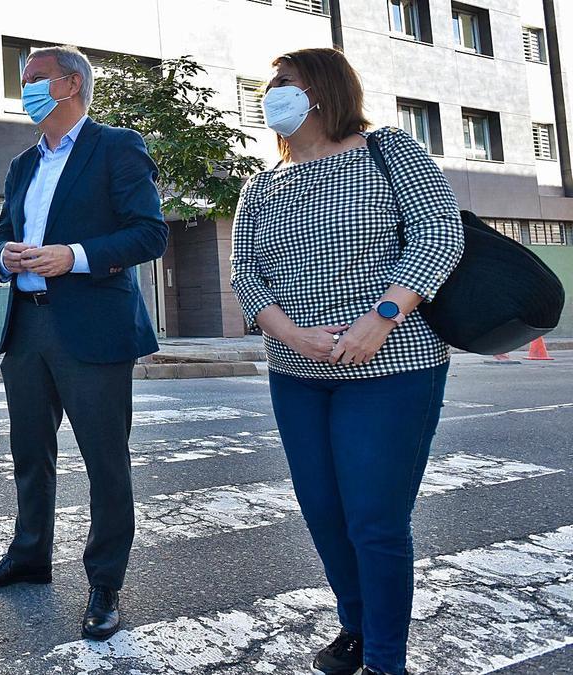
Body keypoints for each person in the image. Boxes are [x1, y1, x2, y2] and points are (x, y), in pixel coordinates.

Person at [230, 48, 464, 675]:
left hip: (393, 368)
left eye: (285, 83)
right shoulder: (262, 184)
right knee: (325, 512)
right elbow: (246, 274)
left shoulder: (390, 151)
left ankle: (387, 660)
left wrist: (380, 319)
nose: (273, 93)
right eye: (270, 84)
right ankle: (356, 627)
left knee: (375, 520)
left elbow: (439, 235)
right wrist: (292, 335)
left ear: (325, 91)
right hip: (298, 374)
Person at [0, 45, 168, 641]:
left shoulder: (118, 147)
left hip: (93, 329)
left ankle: (105, 583)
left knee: (105, 461)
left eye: (33, 79)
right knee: (31, 452)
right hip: (26, 326)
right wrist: (3, 255)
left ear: (71, 84)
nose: (24, 89)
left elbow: (149, 234)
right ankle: (31, 555)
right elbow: (6, 233)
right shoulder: (22, 164)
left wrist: (73, 257)